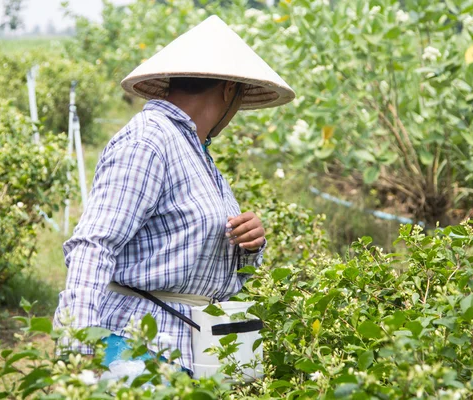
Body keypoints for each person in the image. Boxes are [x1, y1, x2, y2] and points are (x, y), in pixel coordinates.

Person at [53, 15, 295, 378]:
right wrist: (77, 352)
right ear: (229, 89)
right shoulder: (148, 141)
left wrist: (250, 244)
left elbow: (188, 251)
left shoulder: (195, 152)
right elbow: (93, 245)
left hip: (190, 348)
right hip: (137, 351)